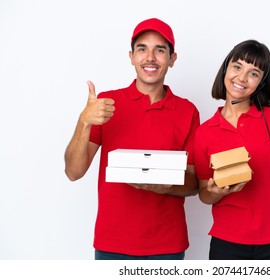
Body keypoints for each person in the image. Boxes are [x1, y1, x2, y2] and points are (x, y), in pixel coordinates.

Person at [64, 18, 200, 260]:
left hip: (167, 246)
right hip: (112, 244)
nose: (150, 57)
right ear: (131, 56)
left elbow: (194, 184)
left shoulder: (188, 111)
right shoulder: (107, 104)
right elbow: (73, 172)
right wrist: (84, 121)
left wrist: (163, 185)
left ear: (172, 59)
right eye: (142, 49)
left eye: (160, 50)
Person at [194, 40, 270, 260]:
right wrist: (216, 192)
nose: (242, 78)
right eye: (237, 67)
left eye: (253, 73)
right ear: (226, 68)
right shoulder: (204, 132)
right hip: (228, 241)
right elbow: (204, 193)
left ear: (262, 82)